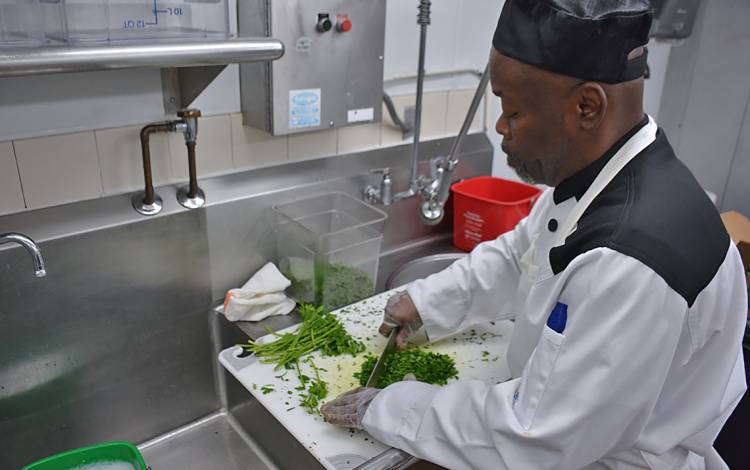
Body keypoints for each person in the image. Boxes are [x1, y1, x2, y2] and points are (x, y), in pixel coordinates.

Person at [321, 1, 748, 468]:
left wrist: (389, 407)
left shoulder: (631, 258)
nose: (501, 127)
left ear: (587, 106)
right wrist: (428, 302)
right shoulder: (605, 174)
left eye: (512, 109)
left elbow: (536, 437)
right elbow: (522, 253)